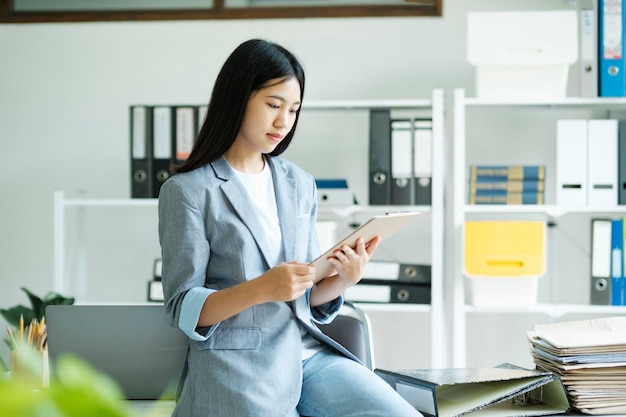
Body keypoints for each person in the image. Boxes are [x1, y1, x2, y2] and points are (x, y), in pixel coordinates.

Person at [158, 38, 423, 417]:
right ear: (238, 98)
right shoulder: (187, 191)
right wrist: (261, 289)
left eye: (294, 109)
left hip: (308, 356)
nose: (284, 121)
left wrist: (343, 279)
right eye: (273, 105)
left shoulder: (299, 183)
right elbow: (183, 307)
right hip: (241, 368)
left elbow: (300, 295)